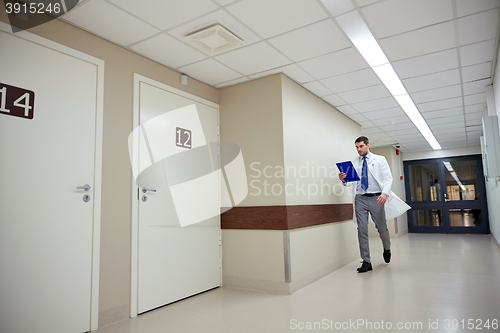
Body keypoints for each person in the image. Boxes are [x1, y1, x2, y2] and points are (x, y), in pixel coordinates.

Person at [338, 136, 393, 273]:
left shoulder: (380, 159)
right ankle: (366, 261)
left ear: (368, 145)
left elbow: (388, 178)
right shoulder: (354, 162)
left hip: (376, 198)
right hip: (360, 199)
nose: (359, 149)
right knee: (361, 229)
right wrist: (343, 180)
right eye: (357, 147)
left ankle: (387, 248)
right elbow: (350, 182)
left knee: (382, 228)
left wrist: (384, 193)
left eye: (361, 146)